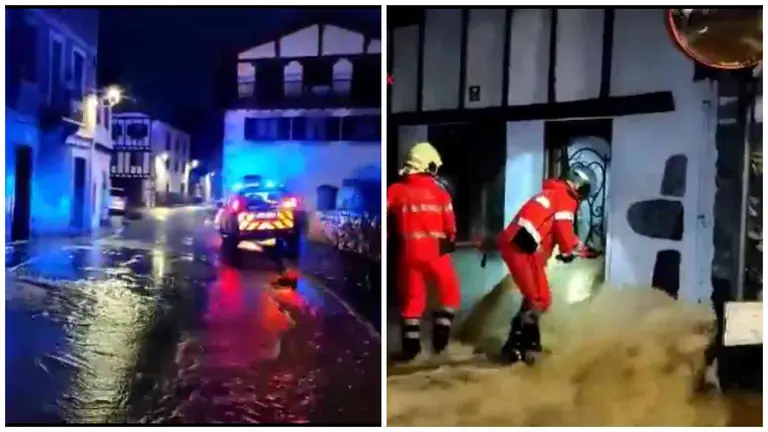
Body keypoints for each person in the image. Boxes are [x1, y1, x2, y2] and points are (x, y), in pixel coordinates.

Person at [491, 165, 599, 365]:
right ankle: (521, 347)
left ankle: (522, 345)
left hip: (518, 245)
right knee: (540, 299)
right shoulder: (566, 198)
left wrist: (576, 248)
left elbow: (554, 229)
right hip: (523, 249)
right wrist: (577, 250)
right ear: (578, 185)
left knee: (534, 297)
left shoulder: (552, 192)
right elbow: (565, 234)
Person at [387, 142, 461, 362]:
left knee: (412, 299)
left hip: (408, 253)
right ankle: (440, 342)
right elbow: (450, 226)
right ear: (429, 166)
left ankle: (410, 349)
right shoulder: (440, 192)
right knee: (449, 293)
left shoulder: (396, 190)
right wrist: (452, 238)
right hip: (436, 252)